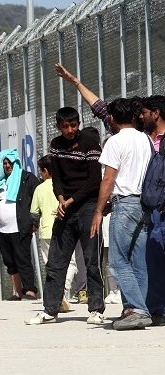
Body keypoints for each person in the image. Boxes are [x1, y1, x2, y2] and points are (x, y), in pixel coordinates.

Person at [26, 107, 106, 325]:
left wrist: (71, 200)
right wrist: (61, 198)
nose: (70, 130)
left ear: (78, 124)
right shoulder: (56, 145)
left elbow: (93, 181)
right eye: (65, 126)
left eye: (73, 125)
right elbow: (57, 177)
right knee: (55, 261)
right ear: (59, 126)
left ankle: (96, 308)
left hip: (87, 206)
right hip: (66, 208)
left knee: (91, 260)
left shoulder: (89, 142)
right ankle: (50, 310)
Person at [90, 98, 153, 330]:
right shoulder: (145, 139)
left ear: (113, 119)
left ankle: (137, 309)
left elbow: (109, 178)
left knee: (117, 261)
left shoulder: (114, 142)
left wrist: (98, 210)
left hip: (124, 203)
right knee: (139, 261)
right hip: (143, 203)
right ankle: (133, 309)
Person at [30, 155, 75, 313]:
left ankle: (56, 294)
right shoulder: (65, 185)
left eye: (41, 171)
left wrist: (34, 225)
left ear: (46, 171)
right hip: (65, 230)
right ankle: (63, 291)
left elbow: (34, 213)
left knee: (51, 265)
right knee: (71, 263)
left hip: (45, 231)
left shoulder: (39, 188)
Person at [0, 149, 40, 301]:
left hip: (20, 227)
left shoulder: (26, 178)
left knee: (23, 259)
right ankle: (18, 292)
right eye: (5, 163)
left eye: (10, 163)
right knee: (10, 261)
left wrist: (35, 220)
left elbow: (38, 195)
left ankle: (30, 290)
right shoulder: (0, 181)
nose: (7, 166)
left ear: (16, 163)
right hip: (2, 229)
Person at [140, 95, 165, 325]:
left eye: (145, 112)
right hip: (152, 209)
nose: (142, 116)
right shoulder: (143, 140)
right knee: (153, 258)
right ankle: (157, 309)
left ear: (156, 113)